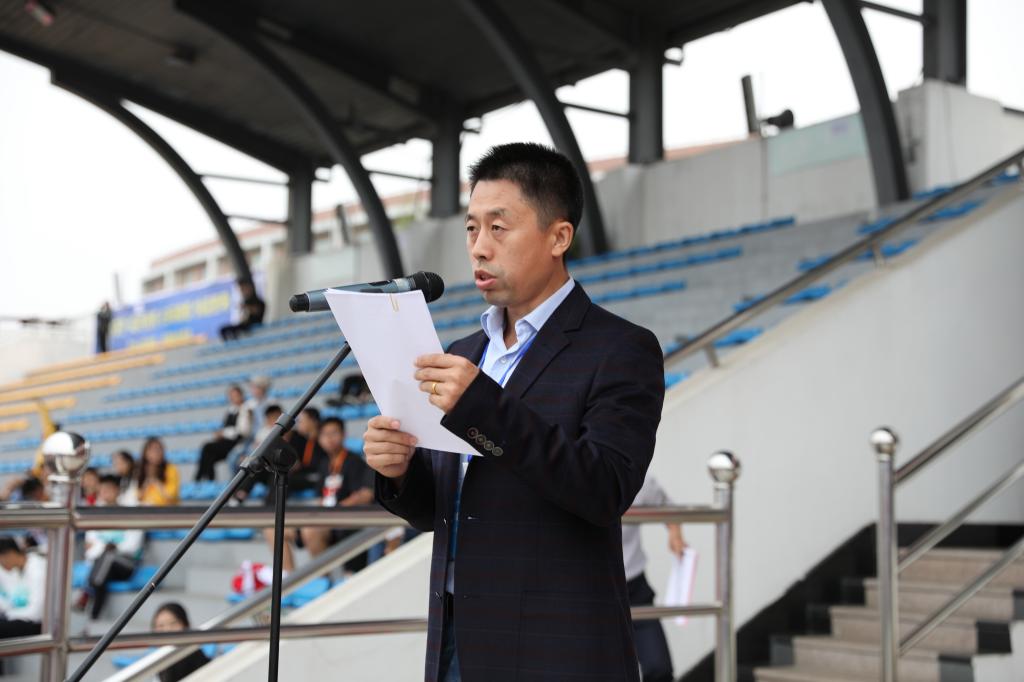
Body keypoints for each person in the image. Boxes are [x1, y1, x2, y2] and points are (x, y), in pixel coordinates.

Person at [364, 143, 665, 681]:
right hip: (456, 641)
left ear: (559, 237)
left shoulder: (620, 348)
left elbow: (605, 489)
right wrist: (400, 470)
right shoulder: (463, 351)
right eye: (471, 228)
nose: (479, 248)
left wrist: (484, 406)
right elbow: (442, 510)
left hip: (554, 652)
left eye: (499, 228)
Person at [623, 475, 686, 682]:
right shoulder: (574, 472)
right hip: (589, 589)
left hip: (634, 586)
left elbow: (667, 507)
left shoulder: (636, 478)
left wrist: (675, 535)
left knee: (659, 667)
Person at [291, 418, 373, 574]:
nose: (329, 438)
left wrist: (336, 510)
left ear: (343, 435)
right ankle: (287, 572)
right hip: (327, 515)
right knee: (276, 528)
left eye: (334, 433)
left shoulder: (354, 461)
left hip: (345, 517)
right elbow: (320, 497)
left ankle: (323, 578)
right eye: (325, 434)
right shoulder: (324, 464)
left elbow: (361, 496)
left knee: (310, 531)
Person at [73, 475, 144, 620]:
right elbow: (89, 548)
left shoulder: (130, 511)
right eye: (102, 490)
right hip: (102, 564)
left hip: (125, 563)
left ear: (117, 490)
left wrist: (106, 547)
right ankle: (94, 614)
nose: (105, 493)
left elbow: (132, 546)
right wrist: (108, 546)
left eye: (108, 489)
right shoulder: (96, 513)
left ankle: (87, 593)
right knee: (106, 558)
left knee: (108, 557)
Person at [195, 385, 252, 482]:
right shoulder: (231, 410)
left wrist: (224, 433)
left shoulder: (245, 409)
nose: (233, 398)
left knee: (208, 448)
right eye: (231, 396)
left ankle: (200, 478)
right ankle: (208, 480)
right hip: (227, 442)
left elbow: (242, 431)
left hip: (237, 443)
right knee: (209, 454)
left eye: (235, 396)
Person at [151, 602, 211, 681]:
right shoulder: (157, 658)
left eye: (173, 623)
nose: (167, 630)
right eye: (161, 626)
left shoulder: (191, 655)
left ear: (185, 625)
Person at [0, 537, 46, 638]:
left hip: (38, 624)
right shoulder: (18, 569)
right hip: (22, 616)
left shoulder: (37, 570)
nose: (1, 565)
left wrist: (9, 614)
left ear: (10, 554)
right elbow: (12, 601)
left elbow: (36, 613)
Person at [137, 437, 180, 506]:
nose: (156, 453)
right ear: (145, 453)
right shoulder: (140, 470)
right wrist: (146, 483)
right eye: (152, 450)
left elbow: (171, 496)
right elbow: (137, 498)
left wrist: (156, 482)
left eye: (159, 449)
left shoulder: (170, 469)